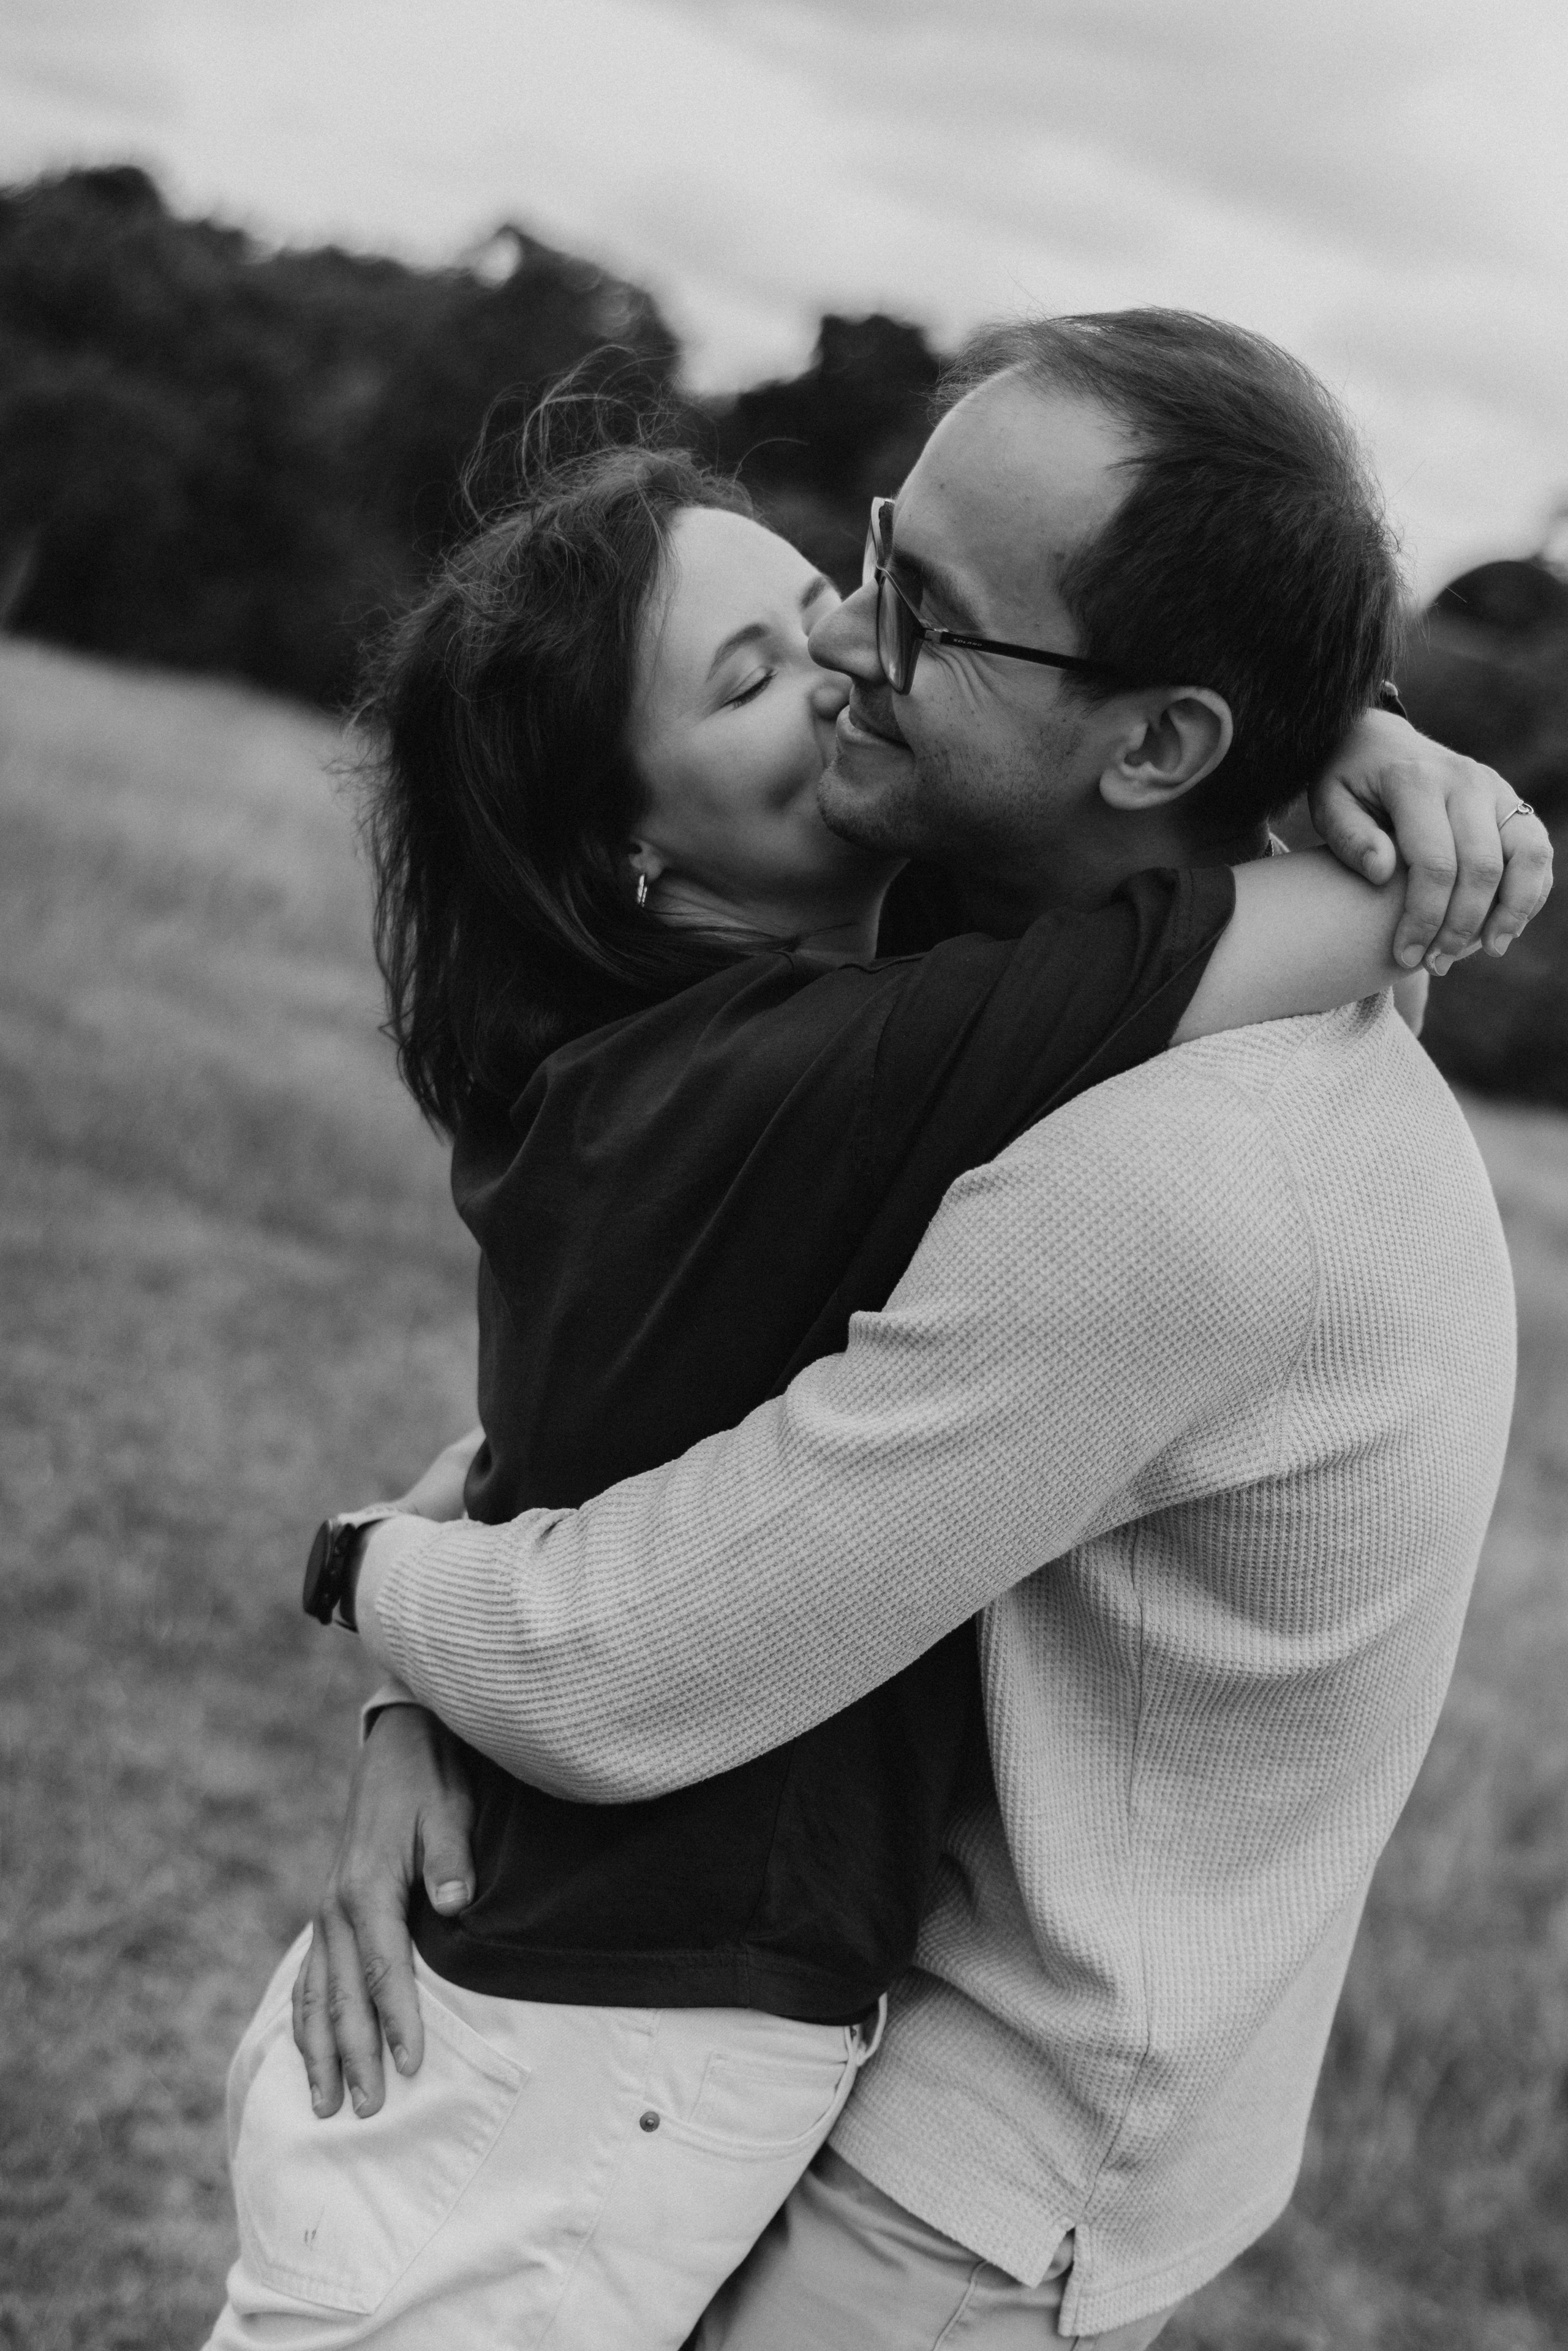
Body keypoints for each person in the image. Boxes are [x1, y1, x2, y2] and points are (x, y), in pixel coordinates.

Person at [287, 312, 1548, 2351]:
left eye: (923, 611)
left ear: (1157, 747)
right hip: (828, 2034)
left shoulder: (1167, 1177)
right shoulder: (988, 948)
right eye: (872, 553)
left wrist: (373, 1576)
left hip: (977, 2171)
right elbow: (647, 1427)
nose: (852, 635)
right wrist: (1358, 756)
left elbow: (627, 1661)